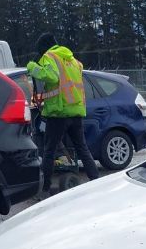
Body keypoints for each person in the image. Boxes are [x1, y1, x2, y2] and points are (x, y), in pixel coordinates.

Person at [26, 33, 99, 193]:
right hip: (76, 111)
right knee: (82, 148)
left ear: (43, 48)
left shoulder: (49, 56)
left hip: (58, 113)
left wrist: (33, 67)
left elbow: (51, 77)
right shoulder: (72, 60)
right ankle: (96, 182)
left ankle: (45, 188)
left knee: (49, 150)